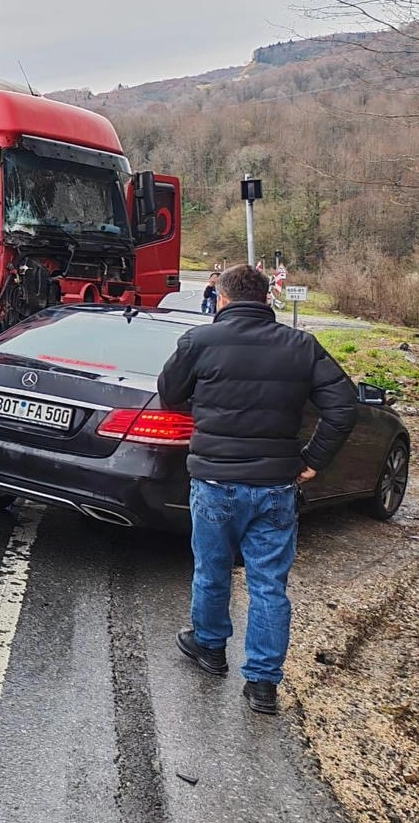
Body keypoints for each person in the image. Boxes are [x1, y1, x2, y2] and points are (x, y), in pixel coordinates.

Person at [157, 264, 358, 715]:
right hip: (275, 488)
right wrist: (312, 461)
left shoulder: (200, 341)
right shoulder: (301, 346)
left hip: (214, 481)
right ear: (268, 299)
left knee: (212, 570)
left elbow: (169, 393)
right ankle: (262, 686)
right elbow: (343, 407)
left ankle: (209, 648)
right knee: (270, 585)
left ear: (222, 299)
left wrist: (206, 404)